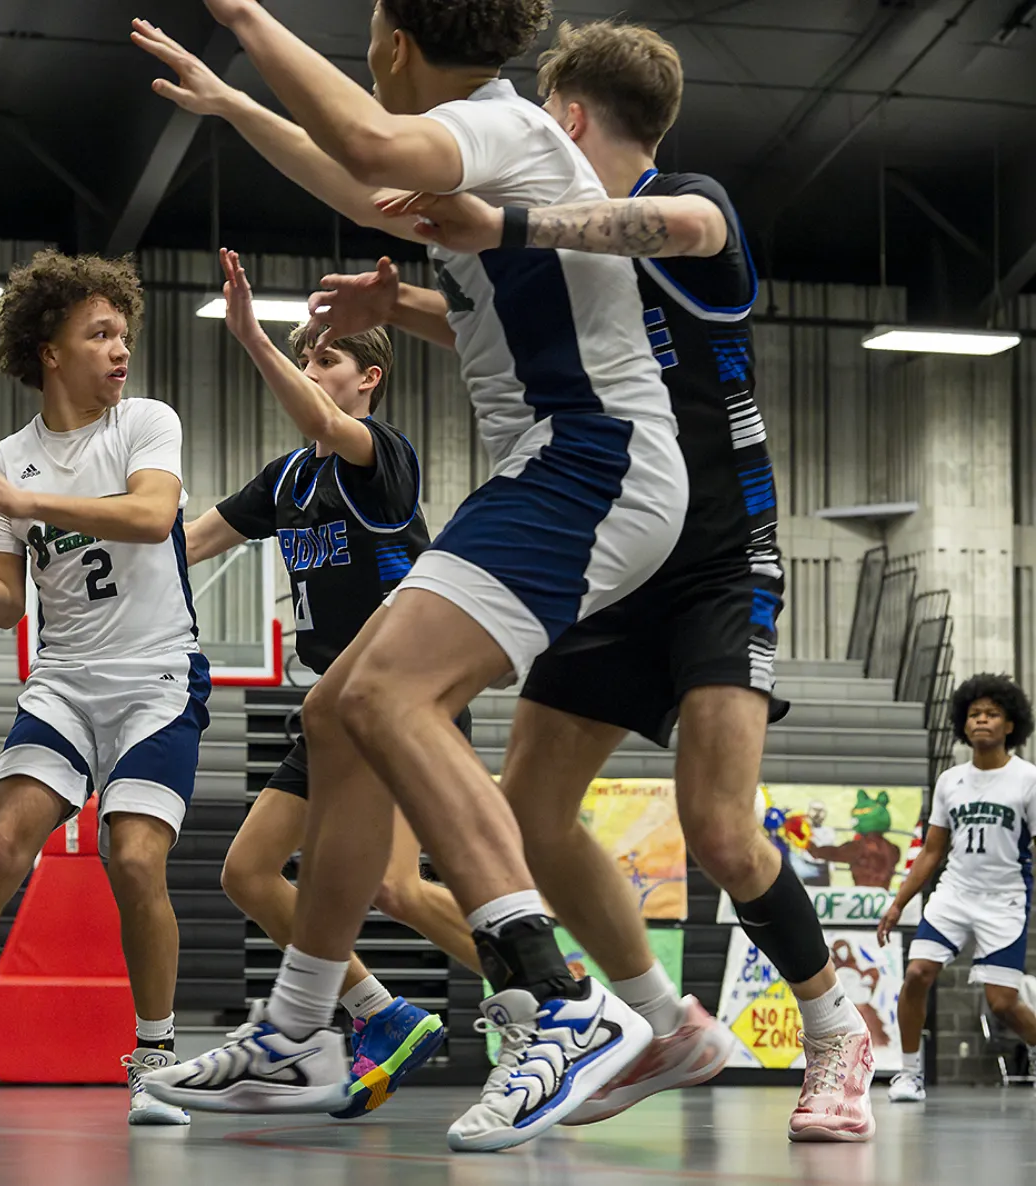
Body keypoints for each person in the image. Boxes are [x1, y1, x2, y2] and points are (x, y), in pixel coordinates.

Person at [302, 19, 876, 1144]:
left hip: (716, 555)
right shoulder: (553, 236)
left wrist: (508, 215)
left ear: (562, 117)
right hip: (608, 545)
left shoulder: (683, 202)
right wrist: (396, 309)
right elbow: (492, 314)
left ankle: (833, 1029)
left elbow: (682, 224)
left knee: (717, 824)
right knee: (529, 812)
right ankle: (657, 1021)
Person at [133, 0, 688, 1152]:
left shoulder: (500, 129)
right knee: (341, 710)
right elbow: (358, 183)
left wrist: (244, 16)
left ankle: (561, 999)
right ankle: (300, 1029)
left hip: (596, 462)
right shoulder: (477, 142)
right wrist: (235, 99)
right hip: (562, 463)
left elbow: (374, 150)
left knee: (385, 697)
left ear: (391, 42)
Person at [0, 250, 209, 1126]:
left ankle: (156, 1059)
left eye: (123, 334)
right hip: (63, 683)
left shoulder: (145, 424)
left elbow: (152, 516)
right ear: (49, 350)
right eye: (99, 334)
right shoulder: (8, 460)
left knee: (133, 857)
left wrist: (26, 508)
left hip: (155, 678)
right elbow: (4, 605)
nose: (119, 350)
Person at [183, 249, 479, 1117]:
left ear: (368, 378)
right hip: (332, 707)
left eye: (326, 358)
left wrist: (254, 341)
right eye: (305, 354)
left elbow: (318, 414)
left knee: (399, 887)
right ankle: (379, 1013)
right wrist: (73, 526)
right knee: (248, 872)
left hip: (402, 697)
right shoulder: (288, 480)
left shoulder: (378, 456)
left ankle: (561, 994)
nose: (313, 368)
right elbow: (187, 541)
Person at [879, 673, 1036, 1102]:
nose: (982, 720)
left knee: (1003, 1003)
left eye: (993, 714)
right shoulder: (951, 781)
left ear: (1010, 725)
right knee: (916, 974)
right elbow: (931, 852)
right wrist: (898, 904)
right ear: (963, 724)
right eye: (974, 714)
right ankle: (909, 1074)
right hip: (954, 894)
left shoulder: (1027, 779)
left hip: (1004, 899)